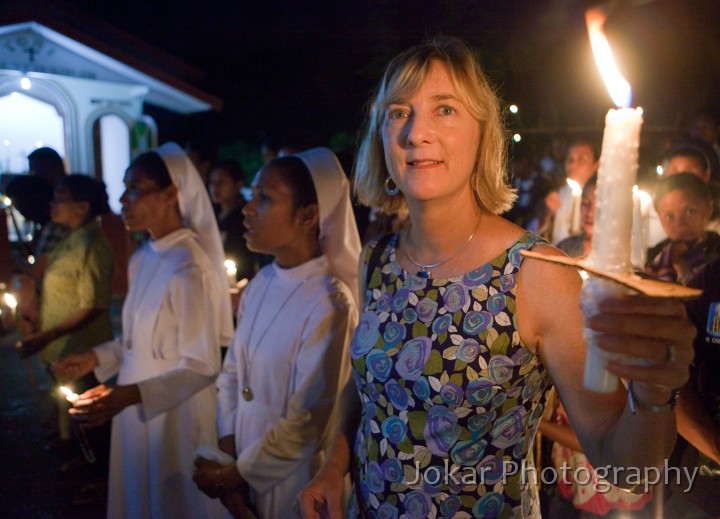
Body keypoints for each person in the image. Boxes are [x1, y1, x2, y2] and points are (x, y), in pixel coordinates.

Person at [298, 37, 694, 518]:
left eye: (444, 109)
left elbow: (626, 469)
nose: (416, 132)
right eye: (398, 112)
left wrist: (654, 394)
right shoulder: (377, 260)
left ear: (484, 134)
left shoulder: (536, 271)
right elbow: (368, 389)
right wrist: (332, 466)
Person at [53, 142, 233, 519]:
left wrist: (131, 395)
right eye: (124, 187)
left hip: (174, 412)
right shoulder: (143, 257)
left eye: (136, 188)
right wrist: (95, 357)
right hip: (134, 405)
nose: (123, 199)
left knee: (172, 502)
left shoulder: (190, 267)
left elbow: (201, 365)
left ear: (171, 194)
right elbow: (136, 340)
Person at [193, 147, 361, 518]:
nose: (248, 209)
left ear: (308, 215)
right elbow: (232, 375)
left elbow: (307, 422)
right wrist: (228, 456)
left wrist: (235, 474)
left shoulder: (331, 303)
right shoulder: (260, 283)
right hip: (240, 456)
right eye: (252, 196)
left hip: (295, 475)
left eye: (264, 199)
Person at [642, 173, 720, 517]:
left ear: (709, 210)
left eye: (690, 212)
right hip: (696, 467)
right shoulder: (663, 259)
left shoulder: (708, 255)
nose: (679, 223)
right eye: (669, 215)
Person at [209, 158, 256, 281]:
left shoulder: (246, 218)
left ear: (238, 185)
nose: (215, 187)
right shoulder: (210, 215)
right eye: (212, 182)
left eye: (222, 182)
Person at [551, 139, 599, 245]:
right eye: (569, 159)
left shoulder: (604, 198)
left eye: (581, 159)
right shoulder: (557, 195)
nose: (573, 164)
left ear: (596, 164)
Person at [556, 175, 597, 258]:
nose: (590, 213)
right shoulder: (564, 248)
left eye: (599, 206)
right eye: (585, 203)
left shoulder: (621, 254)